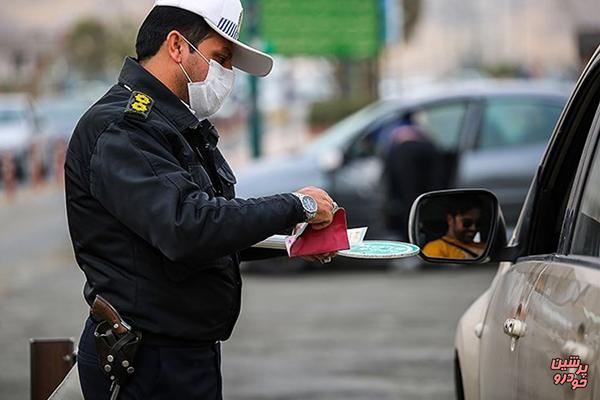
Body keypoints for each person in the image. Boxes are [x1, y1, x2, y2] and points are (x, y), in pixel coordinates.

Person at [64, 2, 337, 399]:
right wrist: (299, 205)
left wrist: (291, 239)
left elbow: (209, 233)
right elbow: (187, 227)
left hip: (181, 354)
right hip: (145, 360)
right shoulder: (124, 127)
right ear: (177, 45)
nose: (226, 75)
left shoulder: (172, 124)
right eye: (219, 58)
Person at [382, 122, 442, 241]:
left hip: (408, 213)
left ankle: (410, 237)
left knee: (409, 200)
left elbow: (393, 189)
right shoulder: (428, 145)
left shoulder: (396, 147)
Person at [422, 200, 486, 259]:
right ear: (450, 220)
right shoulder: (435, 248)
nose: (473, 228)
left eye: (478, 224)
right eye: (466, 223)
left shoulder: (485, 247)